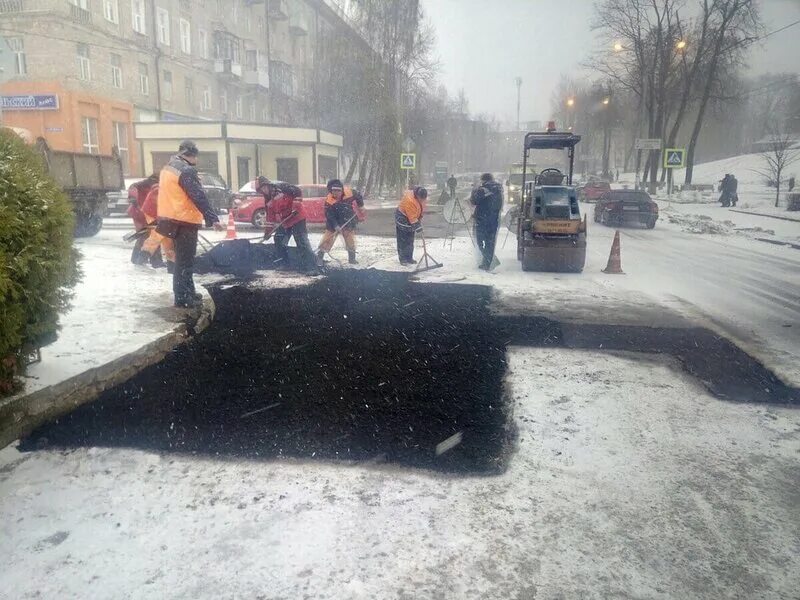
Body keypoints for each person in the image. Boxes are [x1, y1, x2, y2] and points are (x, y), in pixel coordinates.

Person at [157, 140, 223, 308]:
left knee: (182, 260)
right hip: (184, 221)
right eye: (196, 156)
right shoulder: (186, 170)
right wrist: (212, 218)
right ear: (192, 155)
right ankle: (183, 297)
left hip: (169, 219)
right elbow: (198, 196)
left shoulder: (168, 168)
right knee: (185, 262)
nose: (197, 160)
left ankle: (188, 292)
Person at [256, 177, 317, 273]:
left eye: (263, 188)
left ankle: (311, 267)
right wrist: (267, 232)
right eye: (260, 190)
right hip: (286, 221)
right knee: (279, 239)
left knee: (301, 241)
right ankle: (285, 264)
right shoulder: (268, 200)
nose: (263, 191)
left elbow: (297, 191)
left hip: (297, 218)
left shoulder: (282, 188)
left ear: (267, 185)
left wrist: (295, 206)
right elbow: (270, 217)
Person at [316, 179, 364, 265]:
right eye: (334, 191)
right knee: (327, 240)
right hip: (333, 223)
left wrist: (361, 206)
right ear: (331, 191)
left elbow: (358, 196)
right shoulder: (329, 200)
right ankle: (319, 257)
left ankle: (352, 259)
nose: (336, 194)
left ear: (341, 190)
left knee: (350, 241)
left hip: (347, 219)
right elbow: (329, 215)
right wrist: (335, 225)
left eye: (338, 191)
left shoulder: (349, 192)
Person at [470, 173, 504, 270]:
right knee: (490, 242)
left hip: (482, 219)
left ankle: (487, 259)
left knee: (480, 241)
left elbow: (473, 201)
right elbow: (500, 205)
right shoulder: (499, 189)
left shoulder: (482, 189)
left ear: (483, 180)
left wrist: (474, 190)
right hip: (494, 220)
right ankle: (487, 262)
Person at [395, 186, 428, 265]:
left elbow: (420, 210)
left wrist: (419, 219)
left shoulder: (422, 198)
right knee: (403, 240)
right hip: (402, 217)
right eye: (421, 199)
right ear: (417, 196)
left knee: (410, 239)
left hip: (411, 217)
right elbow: (412, 217)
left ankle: (409, 258)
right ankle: (403, 259)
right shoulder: (410, 200)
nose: (422, 200)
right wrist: (418, 227)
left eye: (424, 199)